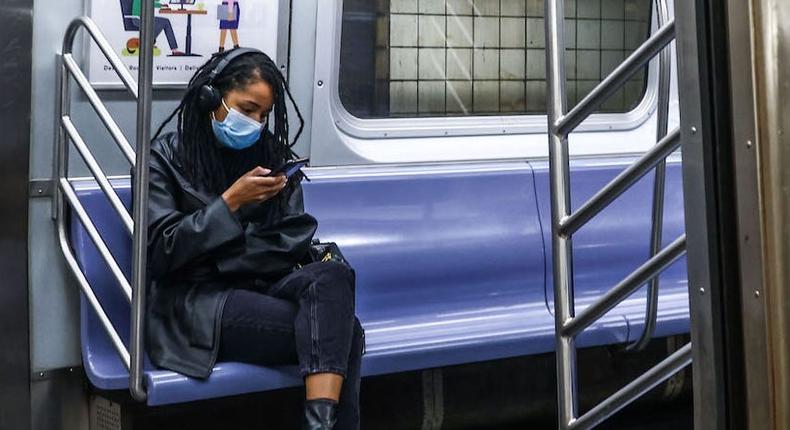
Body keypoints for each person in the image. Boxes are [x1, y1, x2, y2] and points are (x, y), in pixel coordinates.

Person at [145, 48, 364, 429]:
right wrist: (231, 203)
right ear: (211, 99)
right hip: (200, 303)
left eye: (263, 115)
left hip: (263, 287)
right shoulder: (164, 159)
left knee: (333, 277)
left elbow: (290, 240)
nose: (256, 123)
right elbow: (161, 252)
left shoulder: (271, 159)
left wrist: (216, 253)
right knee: (347, 333)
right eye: (246, 110)